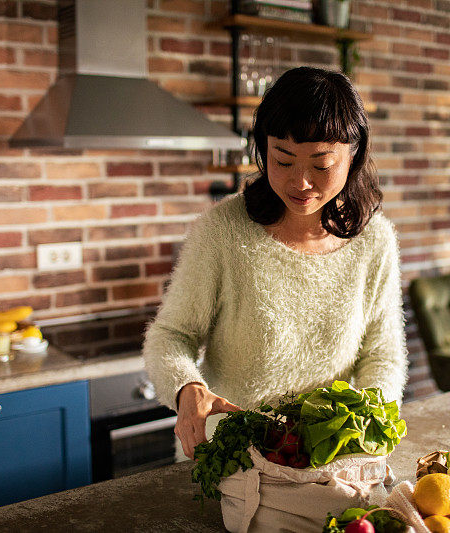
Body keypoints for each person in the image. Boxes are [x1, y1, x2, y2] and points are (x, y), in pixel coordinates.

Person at [142, 66, 407, 460]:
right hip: (228, 458)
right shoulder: (222, 231)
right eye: (283, 161)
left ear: (354, 155)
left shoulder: (375, 240)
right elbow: (170, 336)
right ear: (262, 150)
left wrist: (363, 431)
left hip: (327, 461)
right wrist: (186, 388)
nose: (301, 181)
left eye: (321, 165)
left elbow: (381, 354)